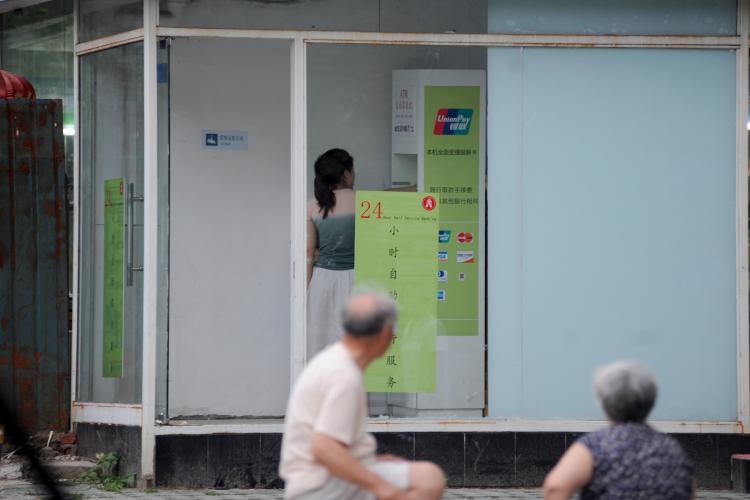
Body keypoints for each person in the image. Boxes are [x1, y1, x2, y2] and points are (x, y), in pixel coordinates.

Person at [280, 291, 446, 500]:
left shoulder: (335, 360)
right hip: (321, 486)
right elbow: (324, 448)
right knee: (429, 479)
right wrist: (382, 486)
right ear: (385, 335)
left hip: (316, 479)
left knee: (424, 476)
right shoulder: (344, 376)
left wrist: (373, 461)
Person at [543, 360, 694, 500]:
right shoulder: (672, 450)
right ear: (651, 400)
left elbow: (555, 488)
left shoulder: (596, 446)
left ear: (604, 402)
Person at [307, 148, 356, 357]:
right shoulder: (366, 202)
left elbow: (308, 253)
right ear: (346, 173)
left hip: (323, 280)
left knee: (320, 347)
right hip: (357, 277)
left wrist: (306, 292)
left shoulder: (313, 205)